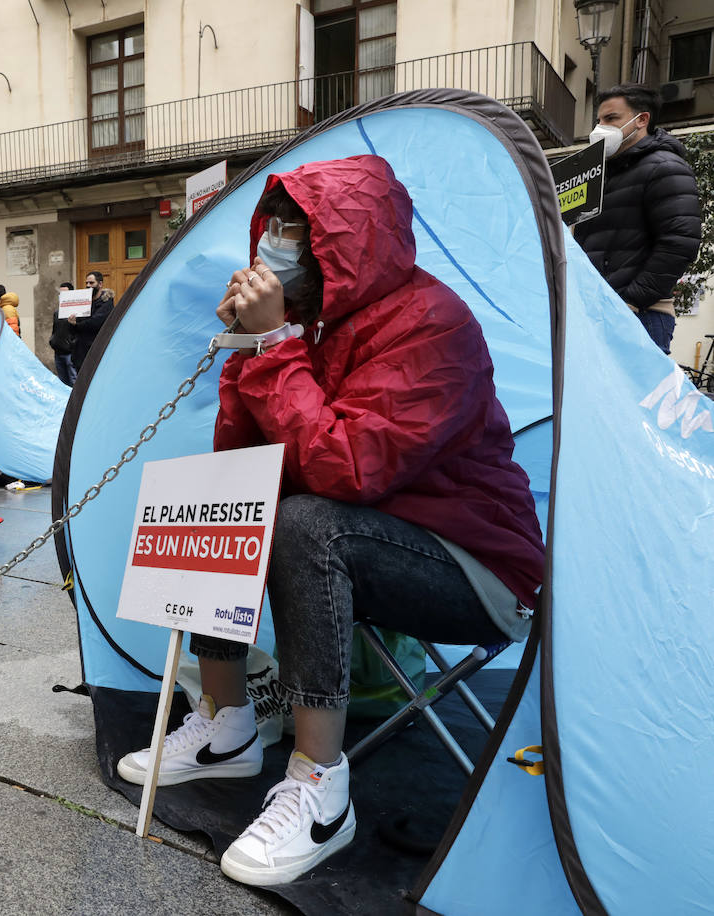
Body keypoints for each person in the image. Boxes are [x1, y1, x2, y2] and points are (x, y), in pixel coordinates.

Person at [116, 156, 544, 887]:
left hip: (477, 568)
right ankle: (227, 726)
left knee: (307, 523)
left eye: (295, 230)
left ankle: (320, 787)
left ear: (348, 243)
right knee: (224, 498)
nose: (272, 245)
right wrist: (250, 351)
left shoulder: (432, 324)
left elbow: (350, 468)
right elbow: (252, 466)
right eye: (271, 226)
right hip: (377, 535)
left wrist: (275, 348)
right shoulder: (309, 326)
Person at [573, 84, 700, 355]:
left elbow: (679, 243)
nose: (600, 128)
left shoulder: (665, 168)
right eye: (599, 120)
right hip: (600, 314)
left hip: (639, 315)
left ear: (641, 120)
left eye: (611, 119)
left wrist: (630, 300)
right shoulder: (603, 176)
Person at [68, 270, 113, 371]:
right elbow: (75, 326)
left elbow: (95, 323)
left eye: (91, 283)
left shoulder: (106, 303)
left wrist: (76, 325)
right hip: (80, 354)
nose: (88, 285)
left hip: (96, 352)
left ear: (100, 284)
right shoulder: (83, 302)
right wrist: (72, 323)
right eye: (87, 283)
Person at [50, 282, 77, 386]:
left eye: (65, 293)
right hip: (58, 352)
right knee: (62, 383)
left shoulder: (77, 312)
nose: (62, 296)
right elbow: (55, 329)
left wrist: (72, 345)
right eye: (60, 294)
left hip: (70, 353)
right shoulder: (57, 312)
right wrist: (53, 341)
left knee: (73, 382)